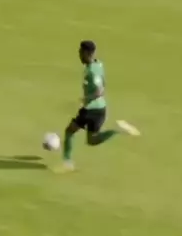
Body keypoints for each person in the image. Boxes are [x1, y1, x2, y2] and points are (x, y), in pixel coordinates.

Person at [59, 40, 140, 172]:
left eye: (81, 52)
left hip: (92, 110)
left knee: (70, 131)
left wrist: (85, 99)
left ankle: (67, 163)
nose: (79, 55)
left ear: (87, 53)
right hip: (99, 109)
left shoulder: (92, 70)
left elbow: (100, 90)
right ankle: (117, 131)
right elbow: (104, 83)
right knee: (92, 140)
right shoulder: (98, 64)